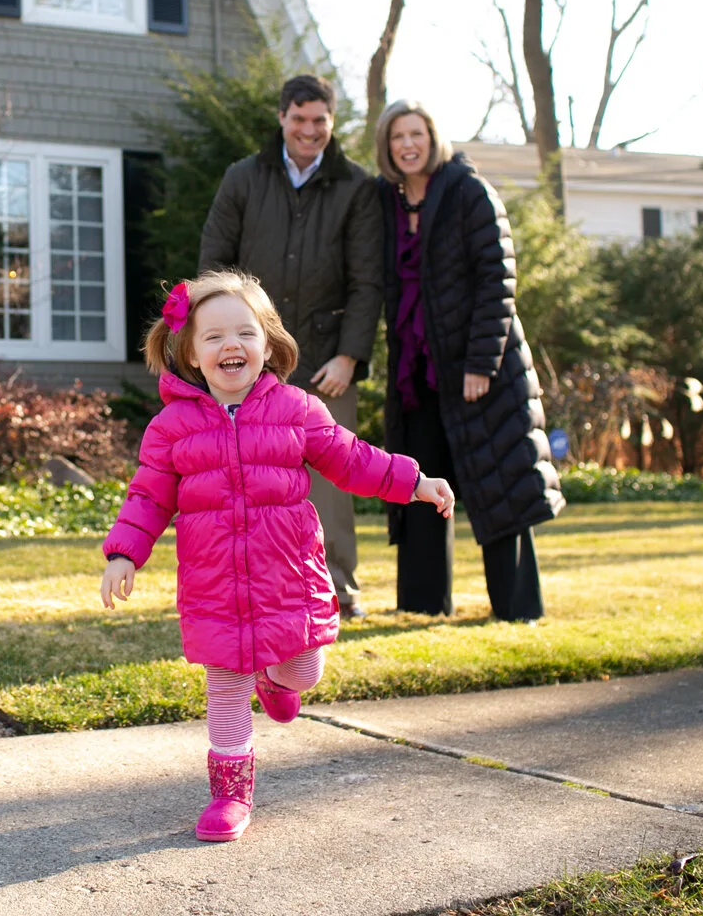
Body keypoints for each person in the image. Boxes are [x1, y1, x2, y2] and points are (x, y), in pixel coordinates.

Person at [99, 270, 453, 842]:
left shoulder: (297, 409)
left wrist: (413, 482)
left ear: (267, 342)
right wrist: (124, 555)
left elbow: (353, 460)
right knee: (225, 683)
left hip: (286, 578)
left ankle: (277, 675)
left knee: (304, 671)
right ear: (189, 351)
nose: (229, 346)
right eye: (212, 337)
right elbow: (148, 497)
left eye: (244, 333)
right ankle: (230, 795)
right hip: (215, 583)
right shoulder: (170, 429)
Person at [199, 74, 383, 619]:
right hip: (249, 359)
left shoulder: (356, 187)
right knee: (248, 482)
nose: (309, 130)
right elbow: (212, 267)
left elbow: (368, 281)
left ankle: (339, 589)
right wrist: (220, 348)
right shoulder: (243, 178)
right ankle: (255, 592)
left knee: (332, 477)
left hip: (327, 359)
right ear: (282, 118)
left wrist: (350, 355)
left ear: (331, 121)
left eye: (319, 121)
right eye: (299, 119)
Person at [373, 100, 563, 620]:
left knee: (498, 482)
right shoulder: (384, 201)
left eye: (416, 133)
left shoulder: (468, 191)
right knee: (419, 483)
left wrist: (482, 363)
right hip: (415, 372)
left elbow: (497, 281)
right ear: (387, 147)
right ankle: (422, 604)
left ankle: (518, 608)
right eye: (397, 137)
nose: (408, 144)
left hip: (479, 371)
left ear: (433, 137)